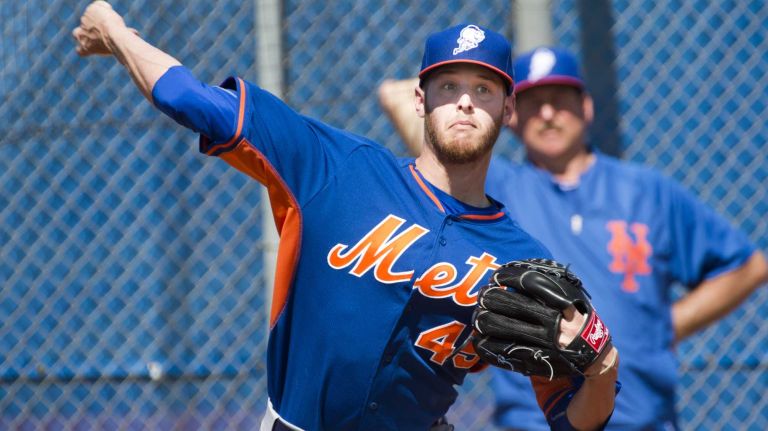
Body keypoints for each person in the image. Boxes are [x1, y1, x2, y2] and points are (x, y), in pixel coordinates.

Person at [73, 3, 620, 430]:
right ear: (420, 99)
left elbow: (572, 420)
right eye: (448, 86)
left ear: (508, 109)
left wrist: (602, 367)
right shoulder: (336, 167)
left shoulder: (520, 259)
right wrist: (117, 32)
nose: (465, 102)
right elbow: (191, 100)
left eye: (484, 88)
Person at [378, 46, 768, 430]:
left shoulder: (647, 191)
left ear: (586, 108)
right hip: (536, 420)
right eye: (533, 102)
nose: (547, 114)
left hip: (643, 416)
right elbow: (409, 111)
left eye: (560, 100)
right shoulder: (495, 190)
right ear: (509, 113)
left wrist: (666, 326)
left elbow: (747, 266)